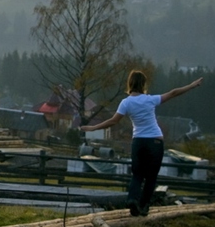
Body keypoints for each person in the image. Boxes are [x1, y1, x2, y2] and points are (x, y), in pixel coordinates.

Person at [80, 71, 203, 217]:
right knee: (151, 177)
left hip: (138, 142)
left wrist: (93, 128)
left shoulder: (126, 102)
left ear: (130, 84)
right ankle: (143, 206)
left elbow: (113, 121)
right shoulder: (150, 100)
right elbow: (173, 93)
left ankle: (132, 200)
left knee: (137, 175)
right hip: (155, 142)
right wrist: (191, 85)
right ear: (143, 84)